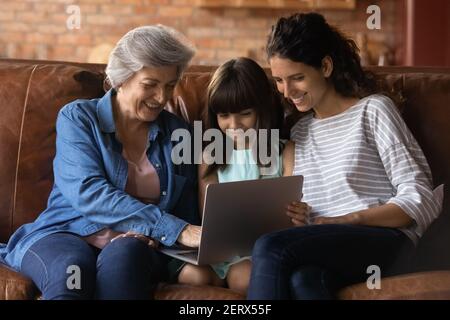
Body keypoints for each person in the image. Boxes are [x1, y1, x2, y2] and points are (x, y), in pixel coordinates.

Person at [247, 13, 443, 300]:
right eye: (279, 80)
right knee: (305, 280)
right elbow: (316, 223)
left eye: (297, 78)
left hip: (385, 242)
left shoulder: (374, 111)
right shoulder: (300, 133)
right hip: (333, 249)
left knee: (269, 248)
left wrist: (350, 219)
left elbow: (419, 197)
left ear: (325, 66)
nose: (287, 92)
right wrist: (302, 218)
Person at [0, 25, 202, 300]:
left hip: (137, 245)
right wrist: (171, 228)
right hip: (66, 233)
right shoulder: (79, 118)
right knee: (72, 274)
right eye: (150, 85)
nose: (161, 98)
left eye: (169, 86)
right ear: (121, 78)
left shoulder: (180, 134)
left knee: (125, 261)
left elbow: (188, 206)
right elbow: (88, 191)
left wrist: (162, 236)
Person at [176, 57, 294, 295]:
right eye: (224, 115)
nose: (234, 124)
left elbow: (290, 211)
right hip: (220, 250)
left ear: (263, 108)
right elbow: (208, 216)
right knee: (191, 276)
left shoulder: (285, 150)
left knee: (243, 278)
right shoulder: (210, 156)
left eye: (245, 114)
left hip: (260, 249)